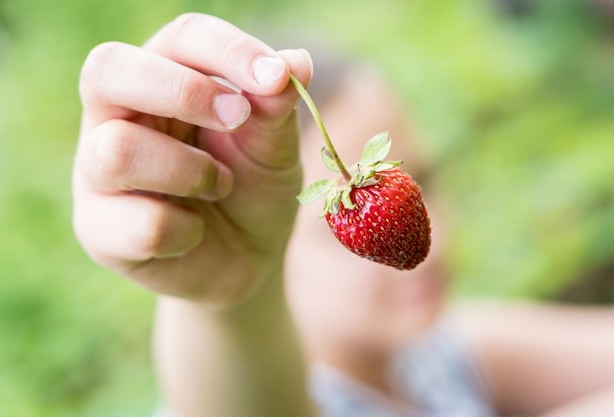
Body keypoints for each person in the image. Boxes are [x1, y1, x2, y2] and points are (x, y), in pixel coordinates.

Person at [72, 13, 614, 417]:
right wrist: (233, 305)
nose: (438, 243)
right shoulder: (297, 396)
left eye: (423, 179)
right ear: (274, 234)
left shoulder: (440, 356)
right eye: (332, 236)